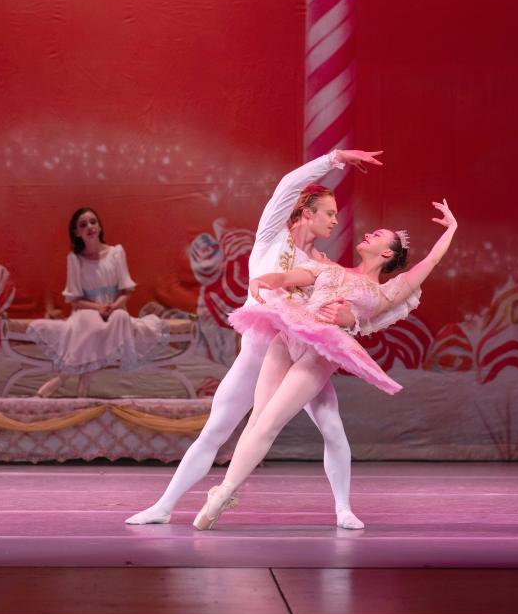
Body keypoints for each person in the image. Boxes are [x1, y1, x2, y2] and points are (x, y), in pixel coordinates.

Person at [125, 149, 384, 530]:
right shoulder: (271, 240)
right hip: (257, 355)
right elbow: (286, 186)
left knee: (331, 426)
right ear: (306, 213)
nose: (335, 219)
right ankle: (164, 505)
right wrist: (334, 158)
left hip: (301, 358)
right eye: (328, 212)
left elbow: (345, 308)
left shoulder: (324, 267)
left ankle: (343, 508)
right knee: (216, 429)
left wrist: (347, 316)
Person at [193, 200, 457, 530]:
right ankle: (223, 493)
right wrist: (267, 280)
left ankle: (222, 494)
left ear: (387, 253)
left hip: (323, 350)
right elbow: (292, 275)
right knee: (258, 417)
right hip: (290, 334)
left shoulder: (386, 291)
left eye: (378, 234)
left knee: (273, 421)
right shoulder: (332, 268)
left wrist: (452, 229)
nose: (368, 233)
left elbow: (431, 261)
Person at [27, 208, 169, 398]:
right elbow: (75, 300)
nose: (90, 227)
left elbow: (126, 291)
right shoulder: (75, 259)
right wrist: (98, 308)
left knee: (120, 318)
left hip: (114, 309)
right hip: (88, 311)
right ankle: (81, 388)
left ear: (100, 226)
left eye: (93, 222)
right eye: (83, 224)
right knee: (91, 325)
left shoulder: (116, 253)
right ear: (77, 232)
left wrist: (115, 305)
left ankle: (63, 379)